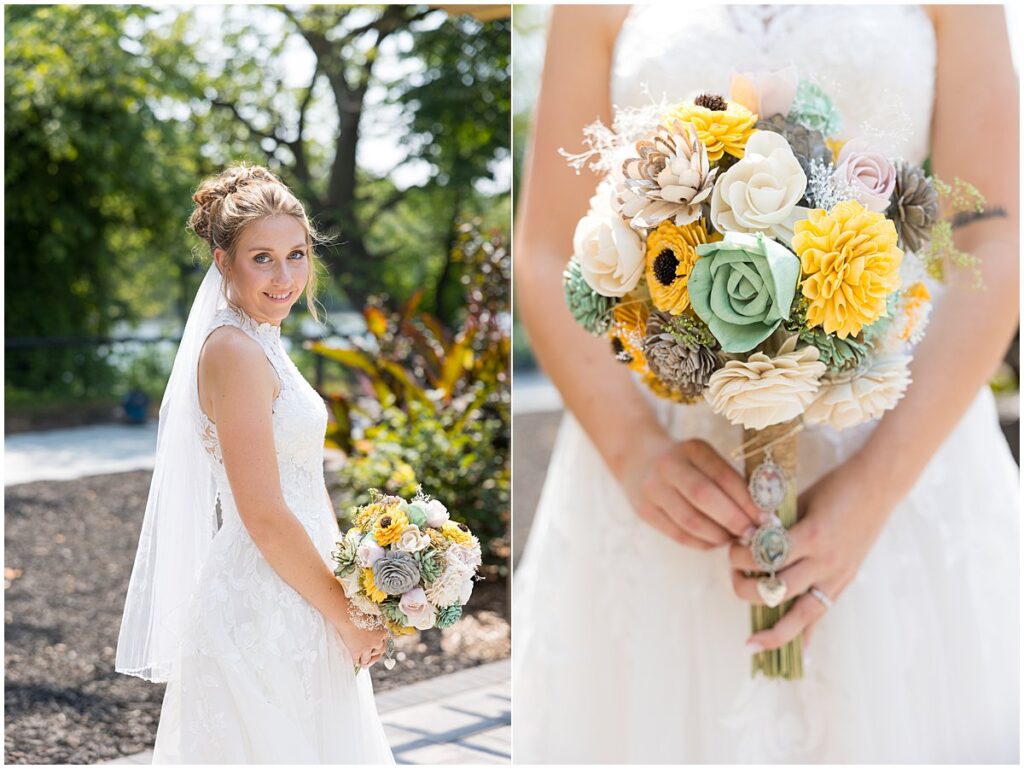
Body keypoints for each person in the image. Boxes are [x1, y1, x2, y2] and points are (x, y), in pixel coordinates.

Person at [513, 5, 1018, 762]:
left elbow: (995, 232)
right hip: (672, 470)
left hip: (902, 444)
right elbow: (548, 249)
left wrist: (876, 488)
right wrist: (632, 449)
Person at [116, 165, 394, 763]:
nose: (285, 276)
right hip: (264, 601)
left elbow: (305, 480)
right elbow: (264, 514)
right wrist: (347, 617)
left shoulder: (261, 338)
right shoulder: (234, 352)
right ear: (223, 262)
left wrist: (359, 579)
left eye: (296, 255)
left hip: (304, 585)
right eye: (262, 258)